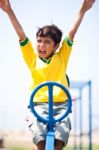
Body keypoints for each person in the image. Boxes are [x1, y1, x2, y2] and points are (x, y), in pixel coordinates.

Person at [0, 0, 95, 150]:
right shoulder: (32, 59)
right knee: (41, 142)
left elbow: (71, 32)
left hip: (61, 105)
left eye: (46, 42)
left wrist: (83, 9)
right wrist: (9, 11)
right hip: (38, 105)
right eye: (39, 41)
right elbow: (21, 34)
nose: (41, 45)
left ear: (56, 46)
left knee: (59, 142)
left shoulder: (61, 56)